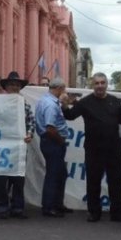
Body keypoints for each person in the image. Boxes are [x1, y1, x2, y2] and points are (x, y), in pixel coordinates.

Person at [62, 72, 121, 222]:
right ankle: (93, 212)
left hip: (113, 148)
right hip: (93, 148)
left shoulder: (115, 101)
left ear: (107, 84)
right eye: (97, 83)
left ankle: (117, 212)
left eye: (102, 83)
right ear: (93, 85)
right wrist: (64, 105)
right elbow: (70, 116)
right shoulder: (85, 102)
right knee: (93, 180)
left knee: (116, 181)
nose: (100, 86)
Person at [0, 71, 35, 220]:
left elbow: (31, 122)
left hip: (19, 146)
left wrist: (30, 134)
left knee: (18, 179)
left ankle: (18, 207)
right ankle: (2, 207)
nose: (14, 87)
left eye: (17, 85)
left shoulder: (24, 104)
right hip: (1, 146)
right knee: (0, 179)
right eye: (11, 84)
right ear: (6, 87)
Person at [35, 77, 71, 217]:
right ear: (60, 88)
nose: (65, 91)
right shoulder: (50, 105)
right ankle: (49, 206)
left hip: (50, 141)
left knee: (60, 173)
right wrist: (61, 141)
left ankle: (57, 204)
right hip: (53, 142)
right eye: (64, 88)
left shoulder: (46, 100)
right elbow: (50, 128)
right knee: (54, 174)